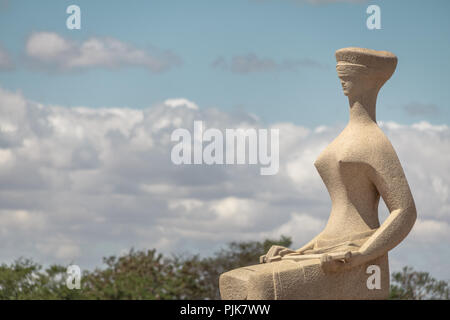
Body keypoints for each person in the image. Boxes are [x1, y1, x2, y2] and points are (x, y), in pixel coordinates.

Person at [219, 47, 417, 300]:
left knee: (261, 288)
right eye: (341, 75)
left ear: (370, 79)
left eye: (350, 75)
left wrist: (362, 256)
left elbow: (405, 211)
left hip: (352, 257)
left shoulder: (375, 142)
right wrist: (298, 252)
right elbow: (340, 216)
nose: (343, 80)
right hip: (325, 248)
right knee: (233, 282)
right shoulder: (343, 139)